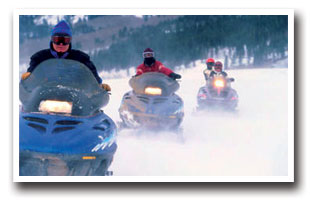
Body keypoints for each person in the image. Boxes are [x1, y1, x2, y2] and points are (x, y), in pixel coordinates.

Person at [21, 20, 111, 91]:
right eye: (57, 39)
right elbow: (33, 73)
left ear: (70, 41)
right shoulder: (39, 57)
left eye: (65, 40)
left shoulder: (81, 58)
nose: (61, 44)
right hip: (44, 96)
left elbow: (92, 75)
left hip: (75, 97)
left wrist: (98, 86)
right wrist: (29, 77)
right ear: (52, 40)